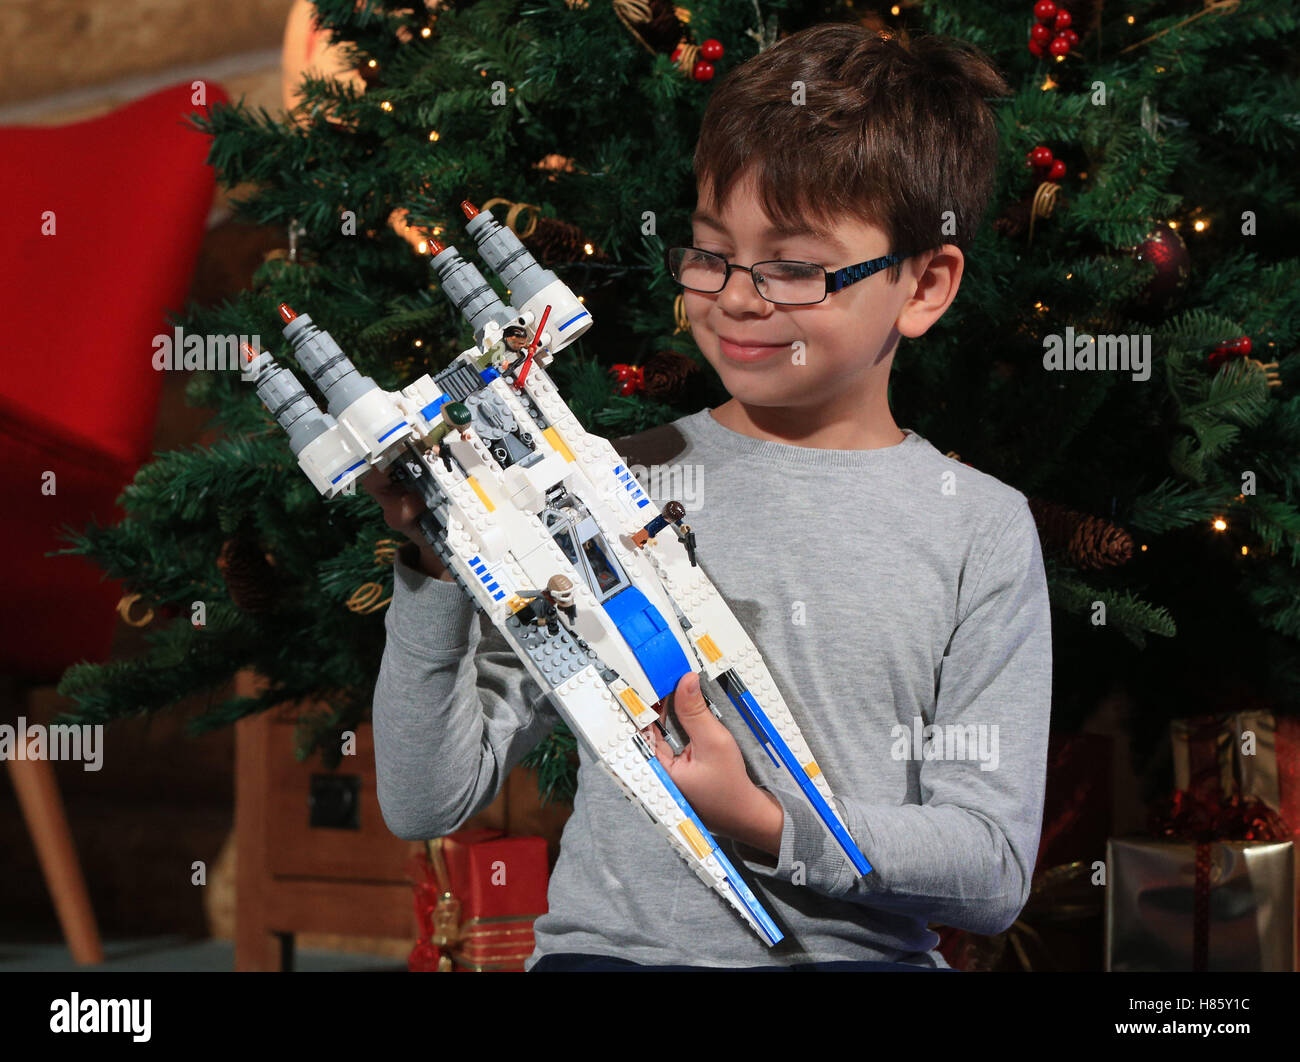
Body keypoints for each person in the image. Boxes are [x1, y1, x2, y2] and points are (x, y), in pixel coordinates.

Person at [364, 23, 1051, 972]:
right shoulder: (606, 482)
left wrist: (772, 825)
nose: (735, 297)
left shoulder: (978, 527)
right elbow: (426, 798)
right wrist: (433, 563)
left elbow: (994, 867)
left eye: (796, 268)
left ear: (924, 285)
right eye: (711, 252)